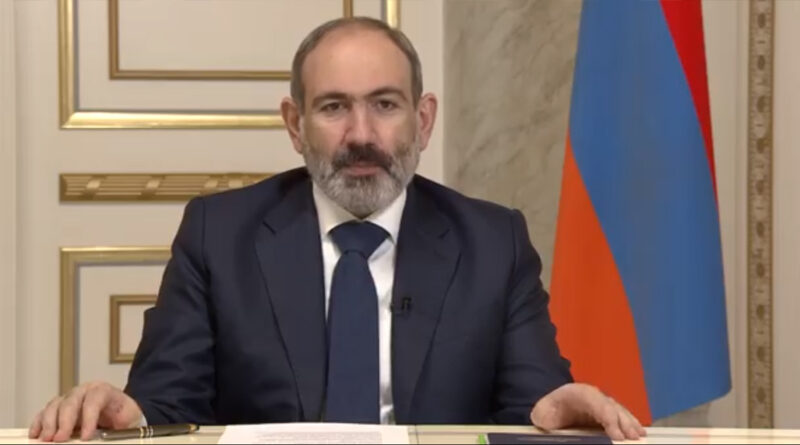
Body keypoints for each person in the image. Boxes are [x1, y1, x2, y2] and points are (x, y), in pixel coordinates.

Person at [29, 17, 646, 443]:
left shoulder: (493, 242)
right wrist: (129, 414)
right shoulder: (219, 233)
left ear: (423, 119)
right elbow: (169, 407)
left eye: (385, 104)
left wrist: (552, 409)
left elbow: (531, 406)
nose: (361, 135)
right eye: (333, 107)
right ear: (294, 124)